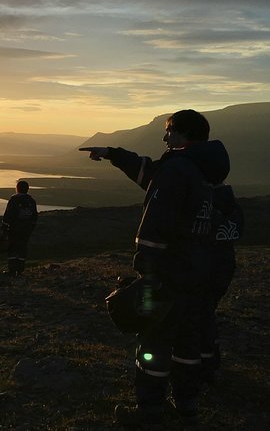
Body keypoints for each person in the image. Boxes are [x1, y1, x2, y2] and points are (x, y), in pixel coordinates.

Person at [81, 109, 231, 428]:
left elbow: (156, 224)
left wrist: (145, 269)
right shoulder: (202, 169)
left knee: (152, 336)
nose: (164, 137)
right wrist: (115, 154)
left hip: (164, 276)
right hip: (197, 273)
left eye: (168, 131)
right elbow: (150, 173)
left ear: (182, 134)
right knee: (188, 341)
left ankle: (149, 409)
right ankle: (186, 404)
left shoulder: (178, 169)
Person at [1, 180, 38, 277]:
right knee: (22, 248)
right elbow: (34, 216)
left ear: (17, 188)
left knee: (12, 248)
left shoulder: (14, 199)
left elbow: (8, 214)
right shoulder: (31, 201)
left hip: (14, 229)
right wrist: (31, 227)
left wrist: (4, 226)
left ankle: (12, 270)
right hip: (26, 230)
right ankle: (20, 269)